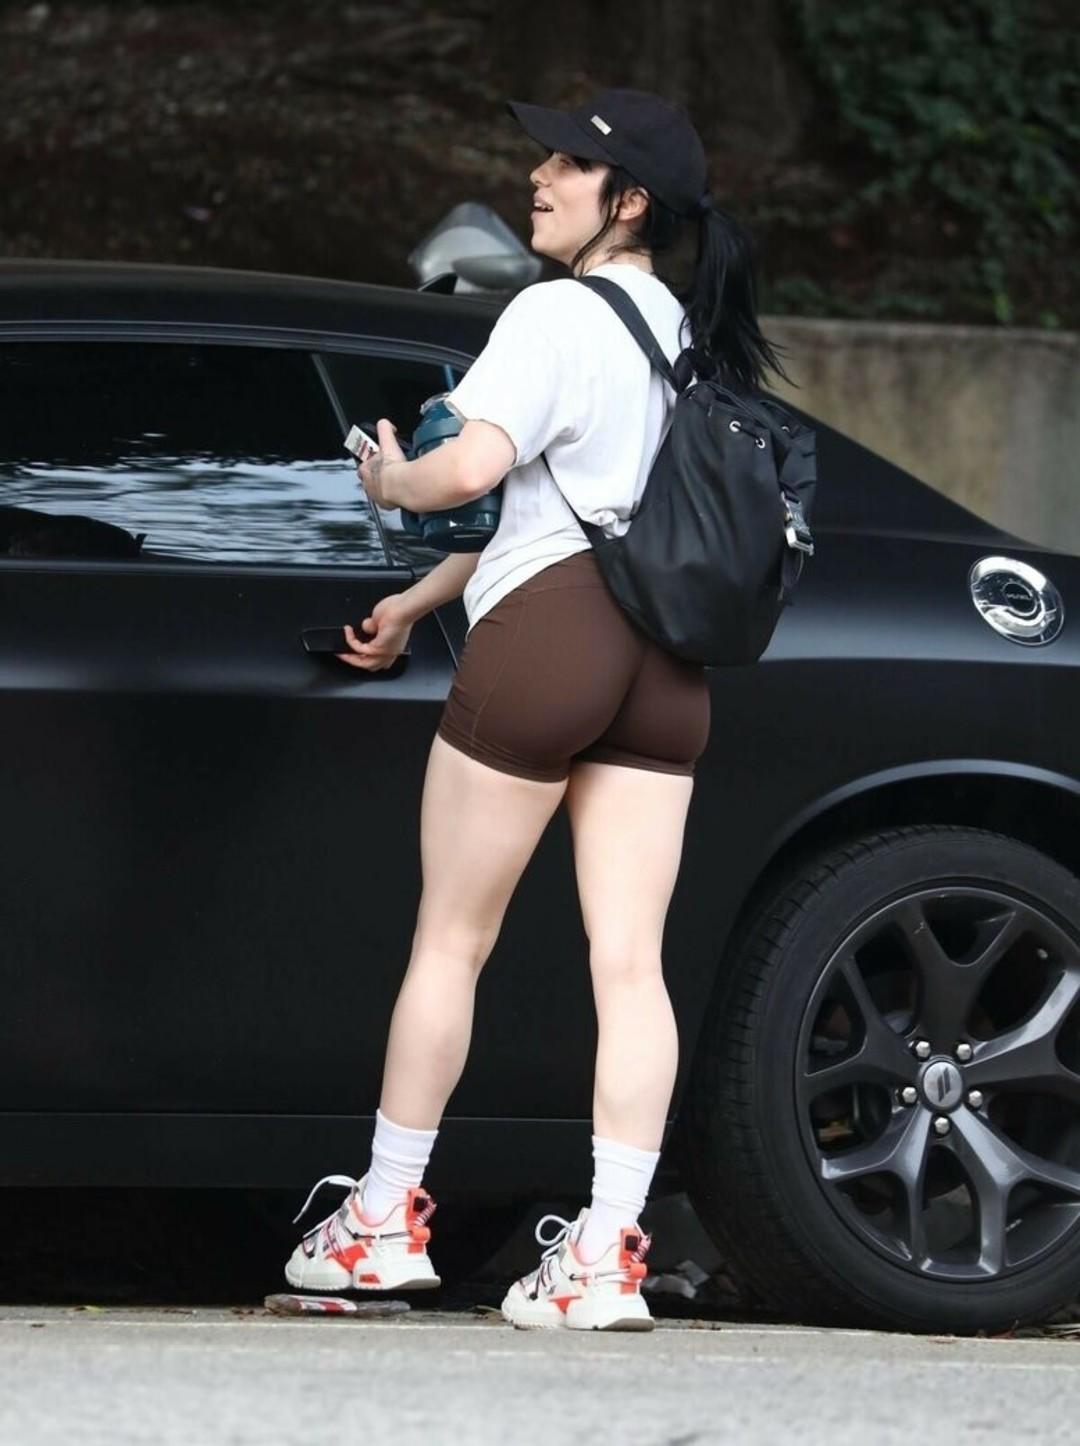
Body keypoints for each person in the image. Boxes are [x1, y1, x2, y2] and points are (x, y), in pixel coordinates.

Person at [284, 87, 789, 1331]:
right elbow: (580, 501)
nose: (539, 177)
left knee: (452, 941)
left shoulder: (553, 312)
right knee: (632, 966)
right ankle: (608, 1254)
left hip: (552, 638)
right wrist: (419, 601)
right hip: (665, 665)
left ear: (630, 203)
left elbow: (472, 470)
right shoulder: (686, 332)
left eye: (568, 164)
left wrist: (387, 478)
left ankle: (381, 1222)